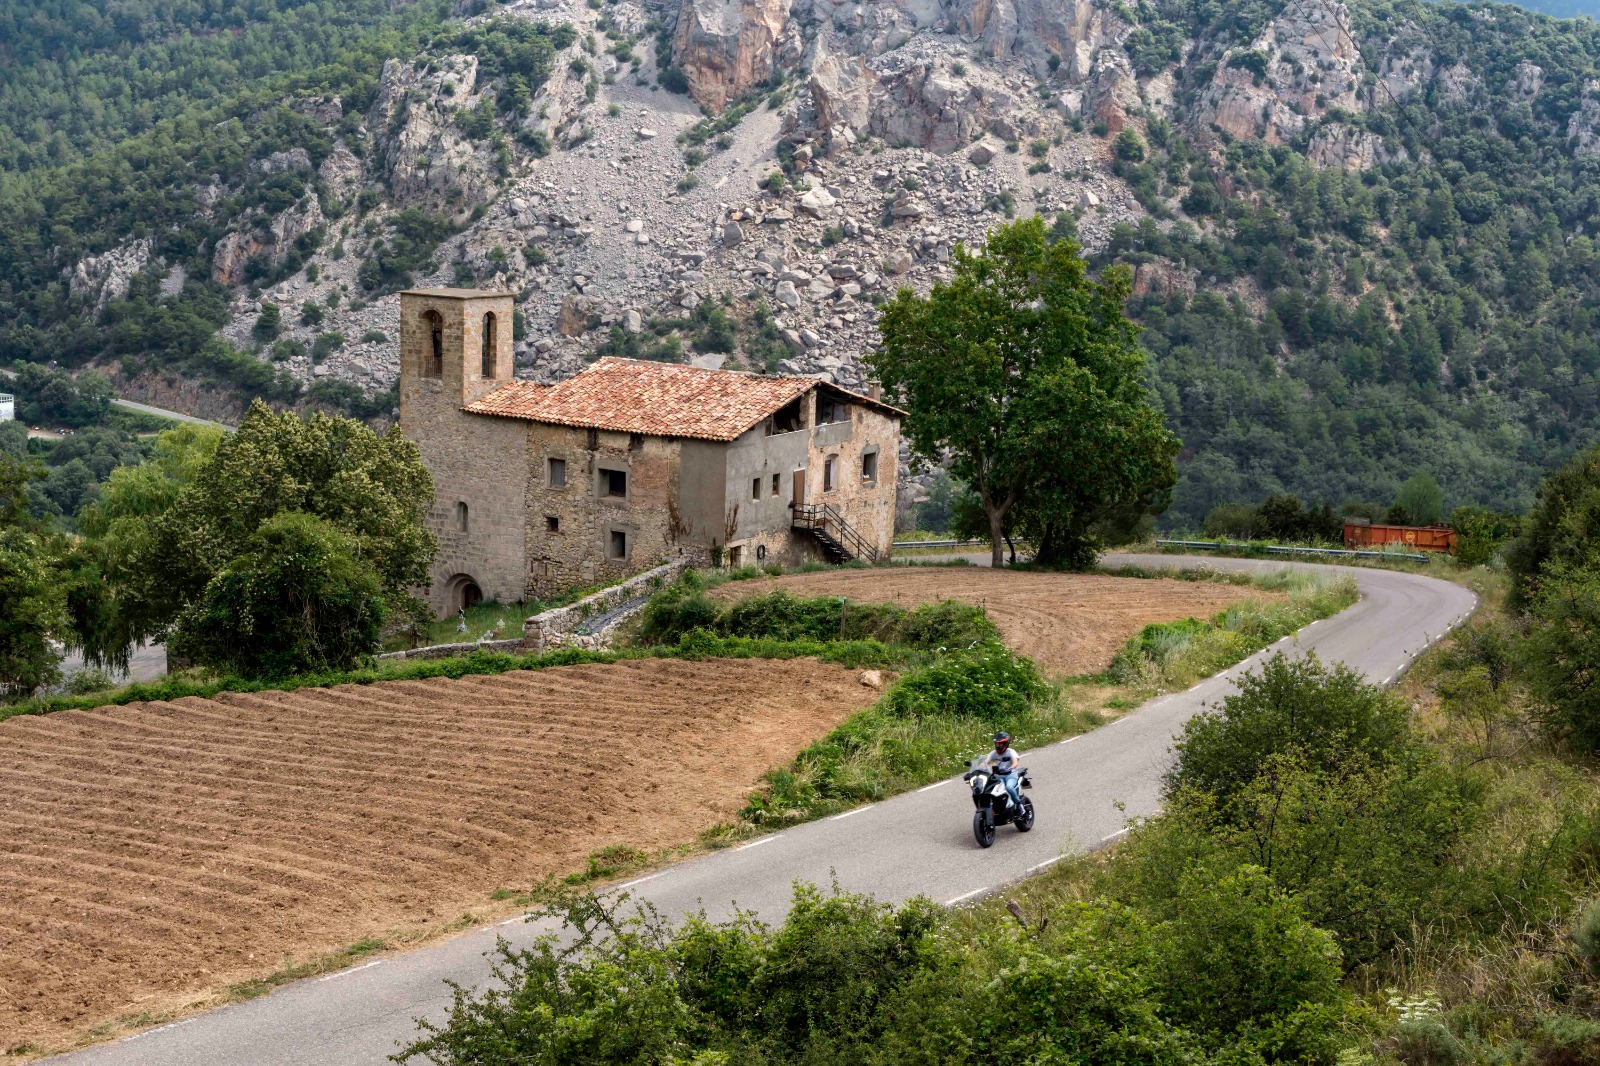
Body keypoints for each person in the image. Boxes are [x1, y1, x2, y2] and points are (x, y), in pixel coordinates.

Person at [978, 731, 1024, 809]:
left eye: (1000, 744)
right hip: (998, 777)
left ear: (1005, 744)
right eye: (996, 743)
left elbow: (1015, 763)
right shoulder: (993, 753)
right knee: (989, 789)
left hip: (1010, 776)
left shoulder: (1011, 752)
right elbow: (985, 763)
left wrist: (1009, 769)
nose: (998, 746)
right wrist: (977, 770)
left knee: (1009, 787)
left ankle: (1019, 805)